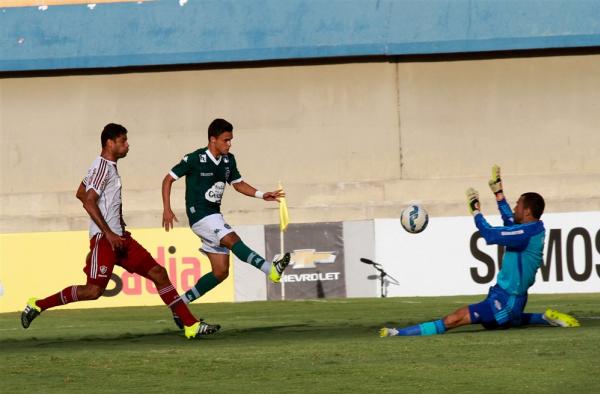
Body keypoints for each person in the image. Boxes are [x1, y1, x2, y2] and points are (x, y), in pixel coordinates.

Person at [21, 123, 219, 339]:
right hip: (105, 240)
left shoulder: (107, 167)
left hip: (121, 238)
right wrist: (108, 232)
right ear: (110, 142)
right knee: (93, 291)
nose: (127, 145)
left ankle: (190, 325)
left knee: (159, 273)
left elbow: (80, 192)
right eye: (123, 141)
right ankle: (37, 304)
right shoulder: (102, 167)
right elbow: (88, 200)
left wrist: (115, 227)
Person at [380, 165, 580, 337]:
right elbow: (510, 221)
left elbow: (491, 235)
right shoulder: (531, 229)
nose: (514, 207)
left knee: (453, 319)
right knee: (507, 320)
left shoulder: (527, 232)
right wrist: (498, 193)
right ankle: (544, 318)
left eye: (518, 204)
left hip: (506, 300)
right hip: (507, 297)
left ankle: (398, 333)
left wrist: (475, 211)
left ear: (527, 211)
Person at [162, 118, 290, 327]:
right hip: (200, 215)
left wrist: (261, 195)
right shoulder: (195, 158)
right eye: (226, 140)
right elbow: (168, 179)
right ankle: (270, 269)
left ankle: (179, 304)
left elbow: (238, 184)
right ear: (213, 139)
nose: (229, 144)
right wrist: (167, 209)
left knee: (220, 272)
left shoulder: (229, 160)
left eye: (230, 140)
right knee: (231, 238)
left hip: (214, 215)